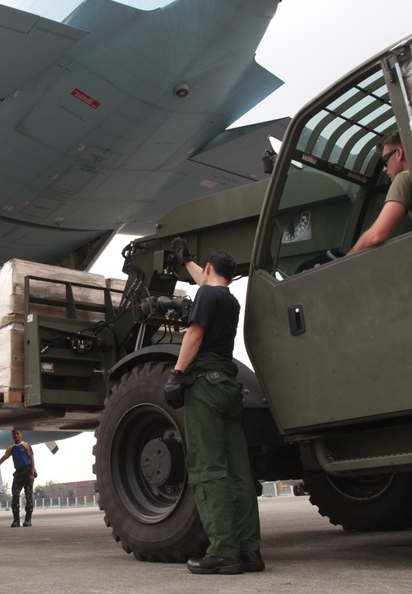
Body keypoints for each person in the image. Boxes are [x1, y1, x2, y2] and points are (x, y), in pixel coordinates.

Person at [164, 241, 263, 575]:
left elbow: (194, 334)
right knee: (238, 472)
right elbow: (205, 280)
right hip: (229, 386)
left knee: (207, 468)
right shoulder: (230, 299)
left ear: (209, 271)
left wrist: (177, 374)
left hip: (205, 384)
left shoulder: (206, 296)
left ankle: (223, 552)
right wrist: (187, 261)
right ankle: (249, 551)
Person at [348, 131, 412, 254]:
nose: (384, 169)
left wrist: (346, 259)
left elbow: (376, 235)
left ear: (399, 153)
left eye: (384, 161)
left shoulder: (404, 177)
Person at [0, 429, 37, 527]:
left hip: (27, 472)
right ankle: (16, 520)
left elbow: (32, 460)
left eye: (18, 434)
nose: (16, 436)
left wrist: (32, 473)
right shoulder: (11, 448)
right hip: (18, 474)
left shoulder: (26, 445)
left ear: (21, 435)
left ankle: (28, 519)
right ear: (12, 436)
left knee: (28, 496)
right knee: (15, 495)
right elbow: (1, 460)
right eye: (14, 434)